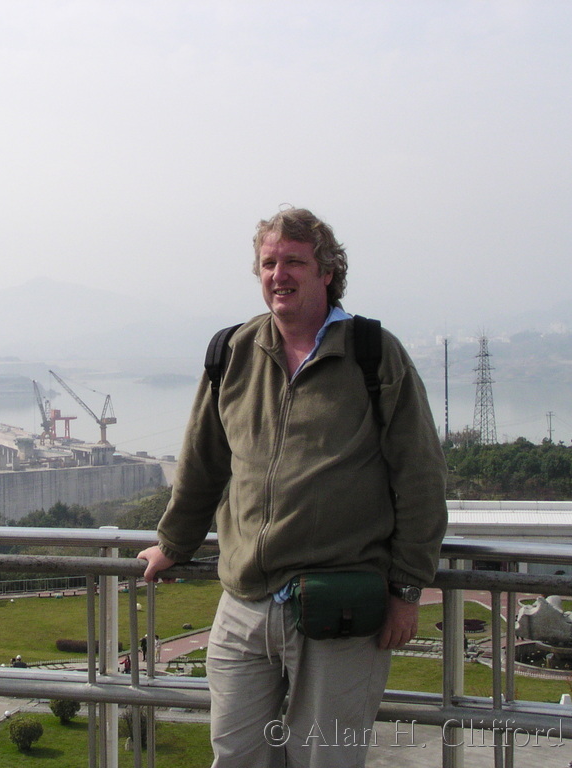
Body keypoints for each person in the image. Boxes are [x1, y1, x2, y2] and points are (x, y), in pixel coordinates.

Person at [138, 207, 447, 768]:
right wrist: (173, 544)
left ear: (327, 272)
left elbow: (420, 477)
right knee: (236, 756)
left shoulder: (373, 353)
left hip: (340, 607)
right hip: (245, 603)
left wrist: (407, 590)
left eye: (294, 262)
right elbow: (204, 461)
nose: (279, 275)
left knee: (325, 760)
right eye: (268, 263)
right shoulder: (233, 352)